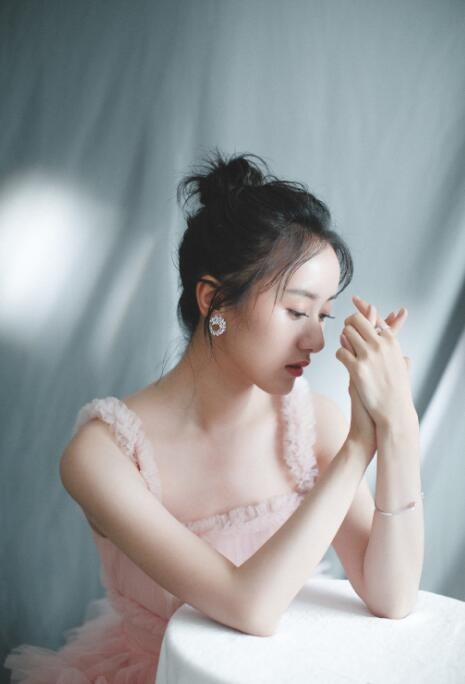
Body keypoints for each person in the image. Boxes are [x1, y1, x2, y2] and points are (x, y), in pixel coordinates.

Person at [4, 150, 423, 683]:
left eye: (324, 315)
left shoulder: (311, 424)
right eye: (297, 311)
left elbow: (393, 596)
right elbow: (249, 608)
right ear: (214, 301)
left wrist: (397, 425)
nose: (316, 340)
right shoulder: (102, 455)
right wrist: (360, 446)